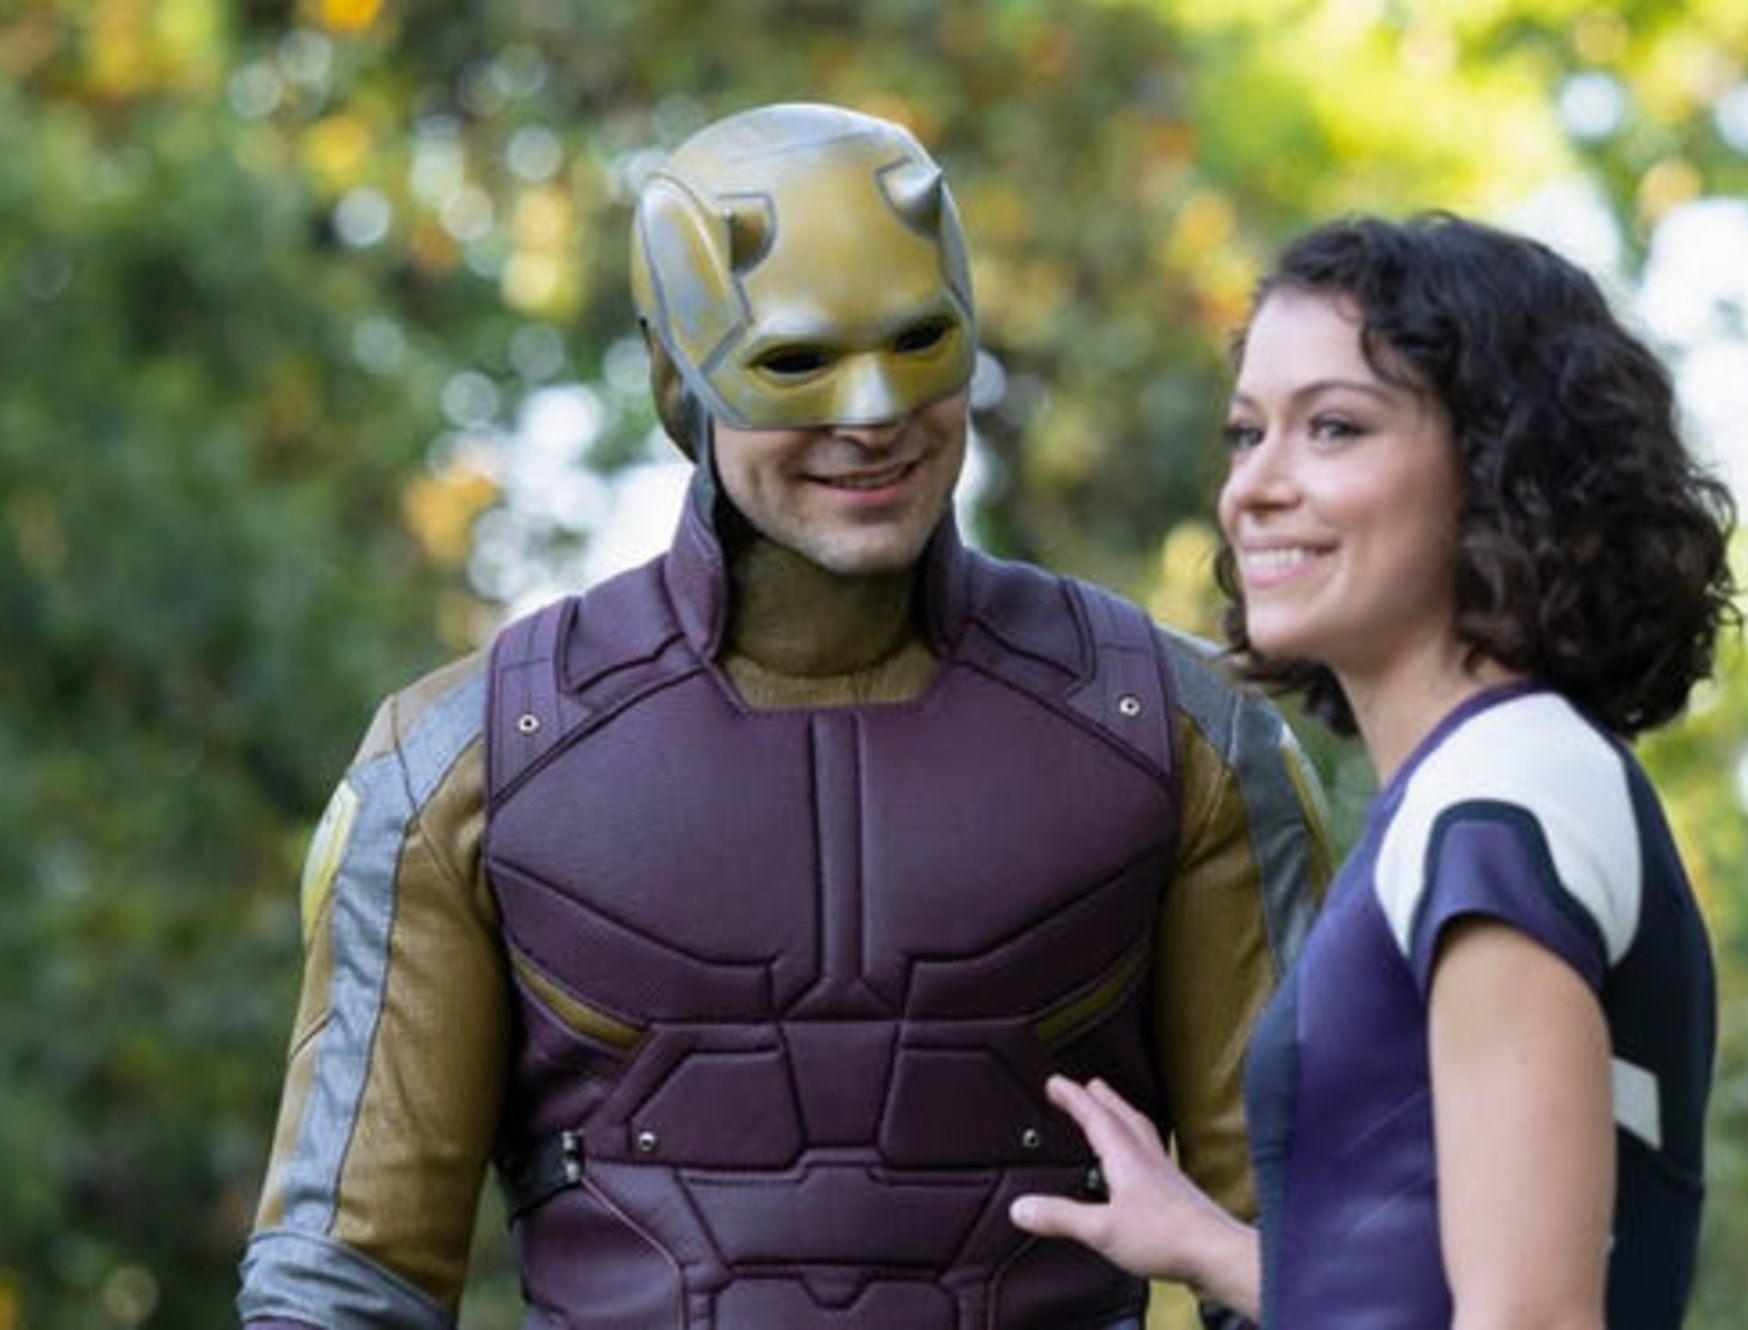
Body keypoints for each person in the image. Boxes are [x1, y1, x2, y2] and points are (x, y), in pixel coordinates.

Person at [235, 102, 1329, 1330]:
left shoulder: (1183, 735)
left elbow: (1318, 1253)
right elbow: (345, 1282)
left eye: (917, 342)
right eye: (797, 363)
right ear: (678, 376)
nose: (872, 417)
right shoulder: (461, 766)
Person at [1009, 212, 1740, 1327]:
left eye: (1334, 427)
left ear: (1505, 469)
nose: (1254, 486)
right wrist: (1208, 1246)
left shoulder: (1501, 800)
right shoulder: (1486, 787)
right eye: (1246, 433)